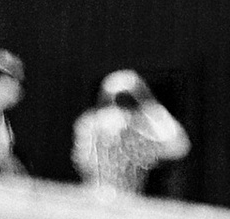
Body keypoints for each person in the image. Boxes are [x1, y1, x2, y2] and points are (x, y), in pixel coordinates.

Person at [71, 68, 188, 199]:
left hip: (105, 198)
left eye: (126, 98)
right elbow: (178, 146)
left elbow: (178, 148)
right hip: (107, 197)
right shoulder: (96, 124)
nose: (120, 105)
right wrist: (150, 104)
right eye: (117, 98)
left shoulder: (90, 123)